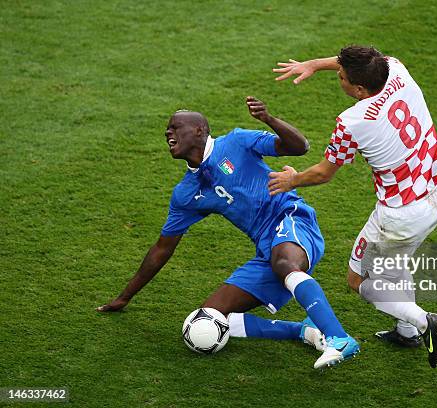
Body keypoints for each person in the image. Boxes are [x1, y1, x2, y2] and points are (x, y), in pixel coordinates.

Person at [97, 96, 359, 369]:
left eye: (175, 128)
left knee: (284, 263)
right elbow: (162, 248)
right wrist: (126, 296)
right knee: (211, 318)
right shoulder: (186, 194)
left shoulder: (236, 141)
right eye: (167, 131)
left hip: (292, 218)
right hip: (266, 248)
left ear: (199, 130)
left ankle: (338, 338)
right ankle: (306, 332)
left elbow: (299, 147)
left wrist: (268, 119)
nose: (168, 133)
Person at [269, 46, 437, 368]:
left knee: (358, 281)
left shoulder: (351, 122)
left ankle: (423, 322)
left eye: (340, 77)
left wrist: (293, 180)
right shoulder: (396, 68)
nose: (337, 78)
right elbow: (362, 61)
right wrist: (313, 64)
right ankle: (407, 331)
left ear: (359, 89)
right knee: (398, 258)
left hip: (400, 214)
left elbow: (325, 172)